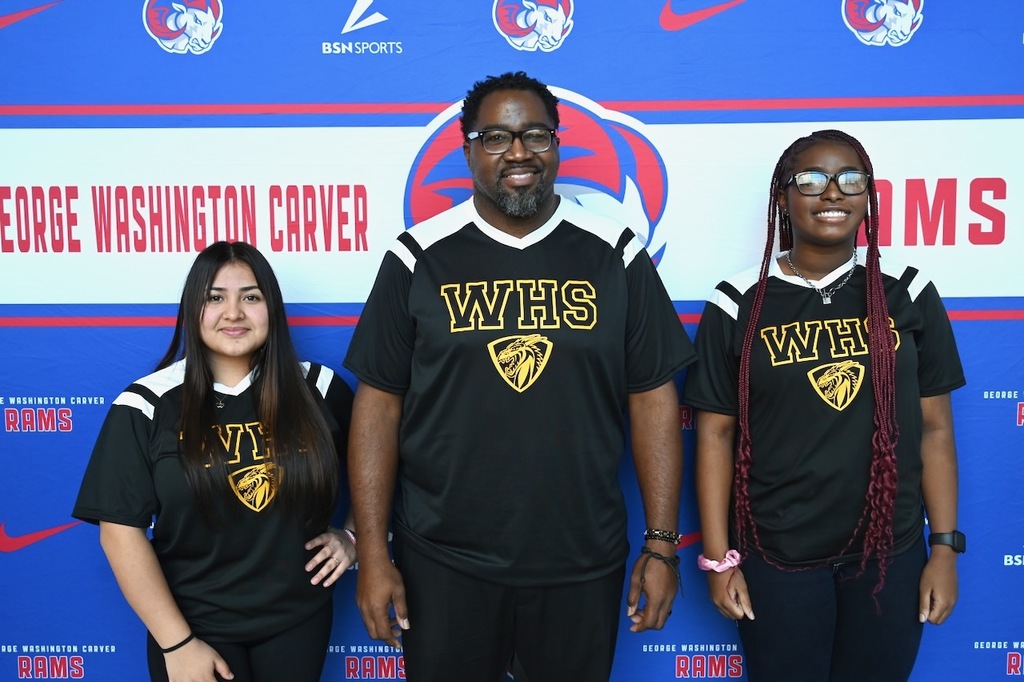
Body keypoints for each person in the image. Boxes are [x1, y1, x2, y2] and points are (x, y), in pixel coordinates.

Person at [343, 71, 696, 681]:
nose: (518, 153)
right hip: (443, 556)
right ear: (468, 150)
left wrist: (662, 545)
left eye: (535, 135)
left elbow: (652, 400)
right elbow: (378, 408)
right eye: (496, 137)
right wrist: (373, 553)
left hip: (580, 555)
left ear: (556, 144)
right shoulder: (418, 254)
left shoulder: (614, 250)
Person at [684, 130, 965, 681]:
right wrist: (718, 560)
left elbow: (935, 429)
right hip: (777, 554)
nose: (832, 192)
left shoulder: (907, 290)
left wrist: (944, 549)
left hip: (889, 552)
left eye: (850, 179)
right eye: (811, 180)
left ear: (868, 195)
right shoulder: (737, 301)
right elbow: (715, 435)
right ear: (782, 197)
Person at [73, 241, 356, 682]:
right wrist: (177, 644)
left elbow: (376, 467)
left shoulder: (319, 388)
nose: (234, 313)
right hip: (194, 625)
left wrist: (354, 536)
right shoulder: (146, 404)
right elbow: (119, 532)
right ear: (193, 308)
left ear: (272, 307)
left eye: (251, 296)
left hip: (299, 619)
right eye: (215, 297)